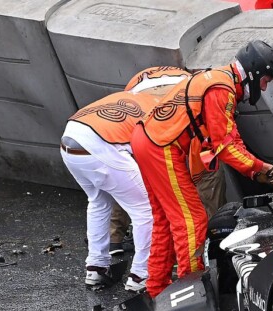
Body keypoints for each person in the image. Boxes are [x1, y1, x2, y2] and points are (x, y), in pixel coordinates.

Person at [132, 40, 273, 297]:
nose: (264, 86)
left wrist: (261, 169)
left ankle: (157, 290)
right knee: (192, 220)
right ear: (254, 72)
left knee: (165, 221)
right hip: (161, 146)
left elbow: (230, 139)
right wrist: (270, 173)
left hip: (148, 140)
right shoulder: (222, 89)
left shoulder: (219, 79)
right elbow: (227, 148)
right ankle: (192, 296)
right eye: (266, 80)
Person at [63, 66, 189, 292]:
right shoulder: (162, 109)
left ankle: (96, 267)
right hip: (100, 145)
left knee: (99, 202)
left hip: (70, 140)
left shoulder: (128, 95)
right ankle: (141, 275)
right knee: (146, 210)